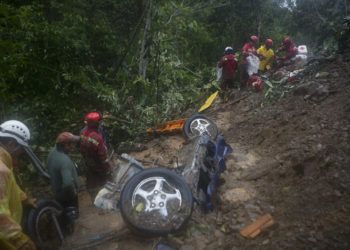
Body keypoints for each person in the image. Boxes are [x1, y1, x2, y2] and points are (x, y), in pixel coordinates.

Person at [0, 120, 36, 250]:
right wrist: (20, 241)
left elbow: (11, 186)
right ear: (11, 143)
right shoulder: (1, 169)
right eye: (21, 148)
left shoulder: (5, 163)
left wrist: (24, 198)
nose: (21, 152)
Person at [80, 112, 111, 199]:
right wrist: (107, 168)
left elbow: (81, 148)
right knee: (104, 181)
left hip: (88, 161)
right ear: (96, 123)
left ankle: (93, 197)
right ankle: (102, 199)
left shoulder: (82, 133)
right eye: (99, 122)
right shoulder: (96, 137)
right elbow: (102, 155)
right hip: (98, 162)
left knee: (91, 180)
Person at [47, 132, 80, 210]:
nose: (74, 146)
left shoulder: (52, 153)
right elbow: (68, 183)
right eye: (72, 144)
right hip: (67, 198)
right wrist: (73, 193)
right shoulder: (64, 161)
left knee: (62, 217)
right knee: (71, 218)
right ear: (66, 145)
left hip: (57, 194)